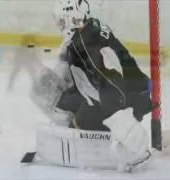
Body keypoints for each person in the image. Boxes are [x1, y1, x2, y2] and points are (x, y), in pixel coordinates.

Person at [30, 0, 156, 170]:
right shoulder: (89, 30)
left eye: (61, 20)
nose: (59, 26)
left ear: (71, 18)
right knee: (50, 88)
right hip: (133, 92)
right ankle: (81, 123)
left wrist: (135, 144)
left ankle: (132, 143)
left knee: (77, 116)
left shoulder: (83, 45)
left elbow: (109, 85)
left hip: (125, 100)